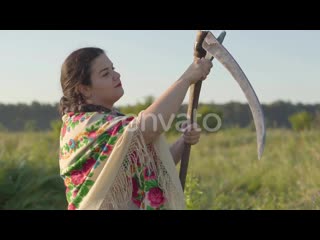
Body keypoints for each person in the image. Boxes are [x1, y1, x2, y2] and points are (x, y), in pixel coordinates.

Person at [58, 47, 213, 210]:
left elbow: (150, 165)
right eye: (105, 74)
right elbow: (147, 128)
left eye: (113, 69)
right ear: (84, 89)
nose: (116, 75)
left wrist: (183, 141)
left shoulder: (113, 122)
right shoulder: (83, 127)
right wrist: (187, 79)